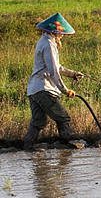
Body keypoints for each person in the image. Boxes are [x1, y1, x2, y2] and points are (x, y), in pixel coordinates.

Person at [24, 13, 84, 150]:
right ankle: (68, 145)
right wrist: (65, 90)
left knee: (38, 122)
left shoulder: (43, 41)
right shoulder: (49, 44)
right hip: (44, 88)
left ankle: (27, 146)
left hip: (34, 90)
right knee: (63, 118)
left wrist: (72, 74)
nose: (62, 36)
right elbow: (53, 71)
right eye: (61, 33)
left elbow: (56, 67)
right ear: (55, 32)